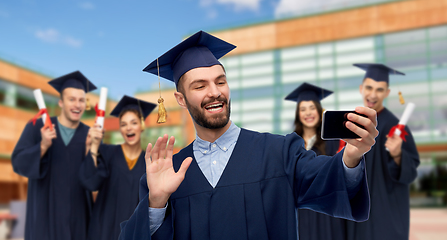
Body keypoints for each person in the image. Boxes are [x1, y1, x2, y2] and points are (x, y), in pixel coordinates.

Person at [119, 30, 378, 240]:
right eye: (200, 86)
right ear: (181, 99)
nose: (215, 92)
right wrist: (156, 203)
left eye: (220, 81)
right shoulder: (168, 174)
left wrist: (351, 157)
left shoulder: (280, 152)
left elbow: (328, 178)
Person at [11, 71, 97, 240]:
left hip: (78, 219)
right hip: (45, 216)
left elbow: (95, 179)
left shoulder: (90, 134)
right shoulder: (38, 126)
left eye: (81, 100)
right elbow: (18, 162)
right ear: (61, 102)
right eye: (71, 99)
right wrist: (42, 146)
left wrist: (91, 148)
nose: (77, 105)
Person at [346, 63, 420, 240]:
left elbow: (411, 172)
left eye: (380, 90)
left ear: (387, 93)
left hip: (384, 214)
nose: (373, 94)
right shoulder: (353, 123)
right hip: (357, 213)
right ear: (361, 88)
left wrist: (397, 155)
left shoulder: (396, 127)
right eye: (369, 87)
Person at [79, 95, 156, 240]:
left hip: (133, 232)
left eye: (133, 122)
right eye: (123, 124)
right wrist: (93, 147)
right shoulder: (106, 153)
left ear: (142, 125)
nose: (128, 128)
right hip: (103, 230)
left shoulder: (150, 162)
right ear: (120, 129)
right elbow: (90, 183)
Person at [285, 82, 347, 240]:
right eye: (303, 109)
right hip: (301, 211)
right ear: (298, 114)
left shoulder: (332, 141)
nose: (308, 113)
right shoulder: (290, 144)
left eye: (312, 108)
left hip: (327, 212)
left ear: (319, 111)